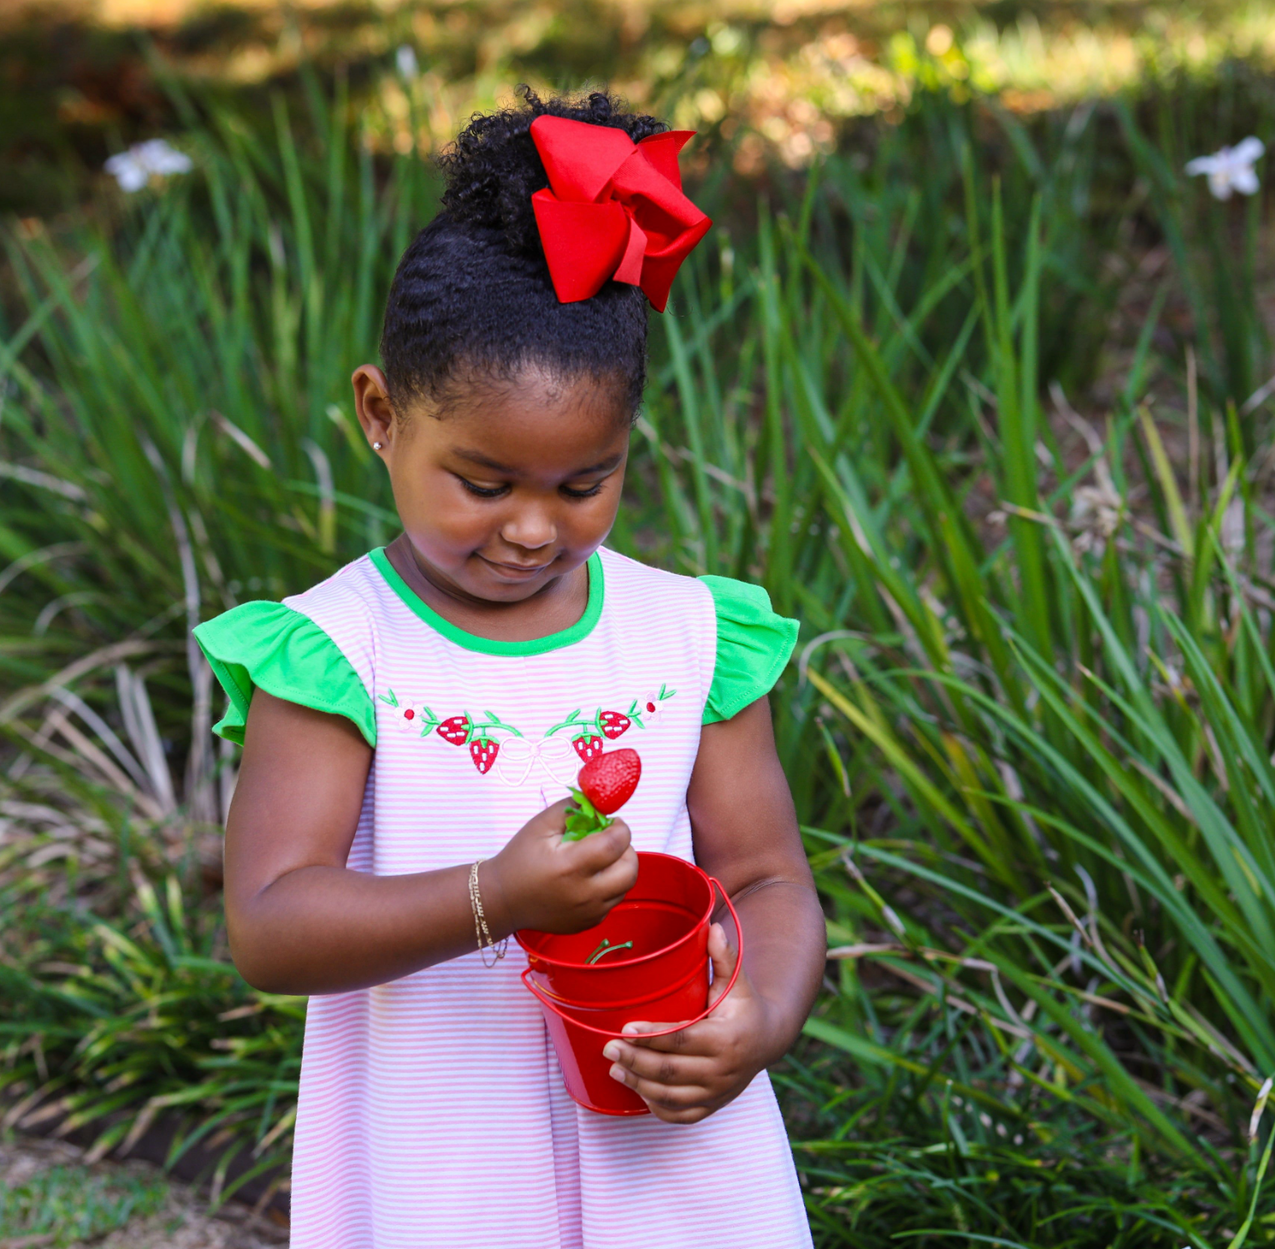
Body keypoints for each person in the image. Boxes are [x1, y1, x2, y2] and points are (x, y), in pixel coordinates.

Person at [195, 86, 826, 1249]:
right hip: (447, 1155)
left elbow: (768, 875)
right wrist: (493, 895)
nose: (533, 528)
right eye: (483, 483)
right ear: (380, 415)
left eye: (583, 483)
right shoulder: (342, 651)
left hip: (674, 1154)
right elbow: (270, 922)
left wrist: (759, 1017)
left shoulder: (689, 636)